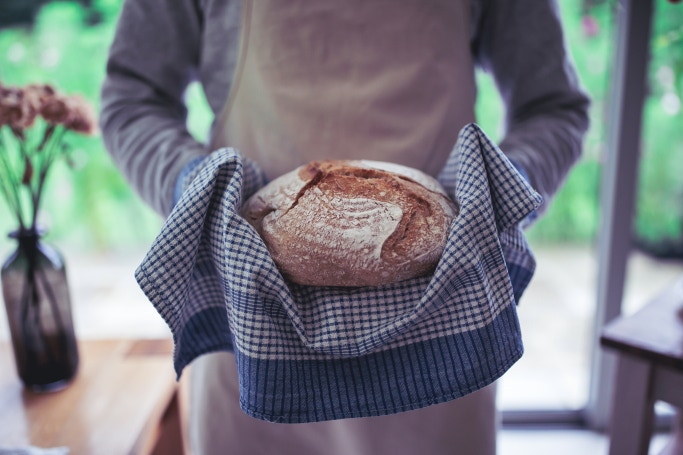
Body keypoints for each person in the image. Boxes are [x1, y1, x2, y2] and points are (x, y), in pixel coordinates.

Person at [100, 0, 590, 454]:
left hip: (440, 344)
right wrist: (199, 190)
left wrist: (499, 188)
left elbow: (551, 108)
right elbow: (133, 100)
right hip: (257, 344)